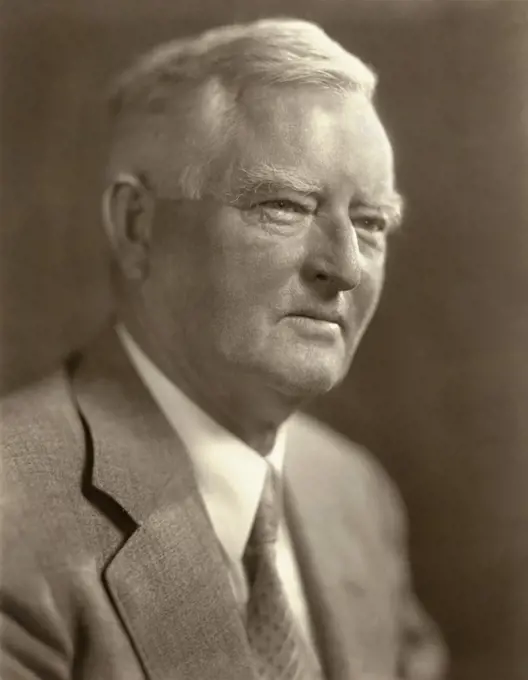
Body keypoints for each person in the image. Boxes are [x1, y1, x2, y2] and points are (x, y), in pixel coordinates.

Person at [0, 18, 448, 680]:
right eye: (286, 206)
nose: (345, 267)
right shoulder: (12, 511)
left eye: (371, 222)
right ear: (137, 226)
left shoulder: (354, 494)